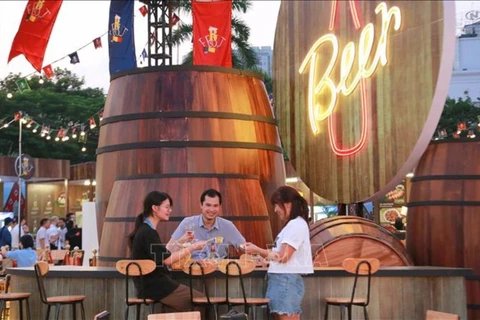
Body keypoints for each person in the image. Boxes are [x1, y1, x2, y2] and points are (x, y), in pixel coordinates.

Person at [129, 191, 207, 311]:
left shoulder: (145, 230)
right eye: (166, 207)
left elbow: (163, 253)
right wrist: (193, 247)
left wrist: (181, 240)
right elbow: (167, 260)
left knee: (192, 305)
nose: (169, 210)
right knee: (202, 301)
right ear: (155, 208)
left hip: (151, 287)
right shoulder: (148, 232)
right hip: (156, 287)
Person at [244, 186, 314, 320]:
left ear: (287, 205)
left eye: (276, 205)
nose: (275, 210)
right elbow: (280, 255)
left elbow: (283, 257)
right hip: (284, 281)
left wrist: (258, 250)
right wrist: (265, 259)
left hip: (285, 281)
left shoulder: (295, 225)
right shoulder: (294, 225)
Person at [167, 189, 245, 260]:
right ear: (201, 205)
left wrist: (254, 251)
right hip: (192, 270)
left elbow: (243, 246)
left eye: (215, 206)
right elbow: (168, 250)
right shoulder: (188, 223)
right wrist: (181, 242)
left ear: (220, 207)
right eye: (208, 205)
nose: (212, 210)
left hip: (218, 271)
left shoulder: (227, 226)